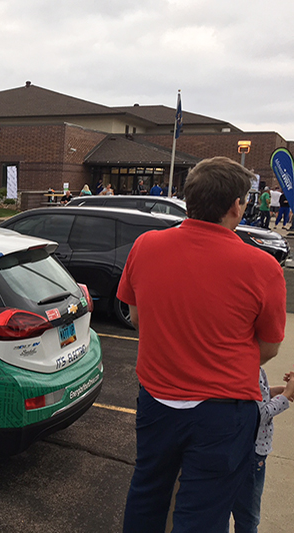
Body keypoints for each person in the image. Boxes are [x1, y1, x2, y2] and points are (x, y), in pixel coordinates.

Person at [118, 156, 286, 533]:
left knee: (147, 492)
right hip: (223, 414)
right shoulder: (262, 267)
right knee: (202, 514)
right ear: (235, 206)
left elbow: (135, 318)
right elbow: (270, 347)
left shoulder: (146, 246)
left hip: (156, 402)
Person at [229, 366, 294, 533]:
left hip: (232, 446)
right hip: (253, 451)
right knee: (248, 517)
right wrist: (286, 395)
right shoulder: (250, 369)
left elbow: (256, 397)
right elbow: (259, 415)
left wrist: (276, 391)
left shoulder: (241, 363)